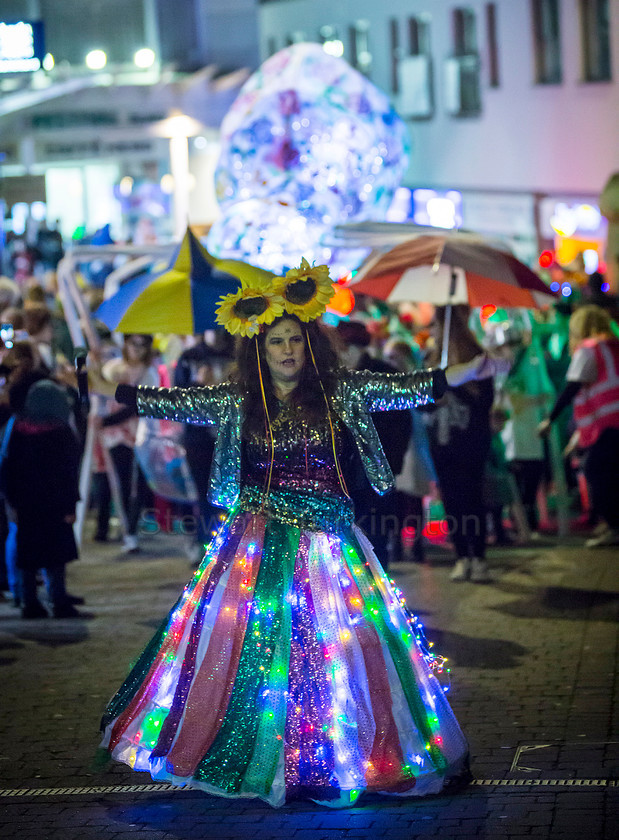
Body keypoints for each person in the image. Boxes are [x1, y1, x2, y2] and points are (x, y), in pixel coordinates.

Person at [92, 260, 499, 808]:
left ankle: (336, 755)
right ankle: (267, 756)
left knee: (341, 652)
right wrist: (106, 386)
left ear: (311, 346)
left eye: (295, 340)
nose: (287, 350)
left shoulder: (341, 391)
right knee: (255, 658)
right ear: (258, 350)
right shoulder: (239, 398)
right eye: (276, 342)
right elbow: (176, 403)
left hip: (329, 543)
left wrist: (463, 376)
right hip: (255, 548)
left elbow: (404, 390)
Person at [423, 306, 502, 583]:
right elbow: (421, 406)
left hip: (470, 439)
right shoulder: (430, 360)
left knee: (472, 498)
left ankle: (478, 556)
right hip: (441, 442)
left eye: (436, 324)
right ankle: (461, 556)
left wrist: (454, 383)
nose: (431, 331)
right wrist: (434, 398)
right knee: (452, 500)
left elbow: (485, 403)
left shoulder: (478, 361)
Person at [539, 304, 619, 547]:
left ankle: (615, 526)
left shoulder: (588, 350)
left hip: (607, 424)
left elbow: (571, 389)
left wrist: (549, 420)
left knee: (596, 473)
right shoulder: (613, 346)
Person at [334, 320, 412, 569]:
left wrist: (394, 462)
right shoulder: (332, 379)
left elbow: (402, 421)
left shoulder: (382, 373)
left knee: (377, 532)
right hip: (342, 470)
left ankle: (380, 586)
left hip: (378, 465)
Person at [2, 380, 83, 619]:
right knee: (55, 557)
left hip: (27, 505)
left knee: (28, 556)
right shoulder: (62, 432)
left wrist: (12, 501)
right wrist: (71, 504)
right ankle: (58, 600)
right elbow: (69, 472)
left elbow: (8, 468)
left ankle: (30, 602)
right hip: (55, 505)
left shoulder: (17, 428)